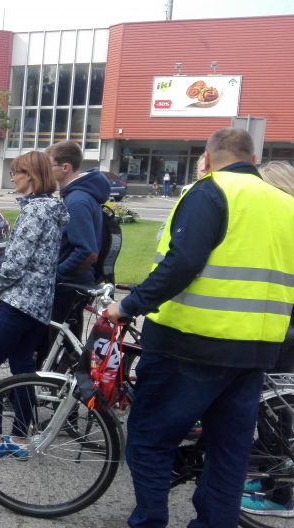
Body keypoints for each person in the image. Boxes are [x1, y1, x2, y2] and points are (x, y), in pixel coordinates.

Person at [105, 128, 294, 527]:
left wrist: (127, 305)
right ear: (255, 159)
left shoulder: (210, 191)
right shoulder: (284, 204)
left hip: (189, 344)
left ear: (207, 157)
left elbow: (182, 263)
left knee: (150, 440)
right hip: (255, 350)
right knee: (228, 452)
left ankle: (149, 522)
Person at [0, 151, 69, 462]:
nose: (12, 177)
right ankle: (18, 439)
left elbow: (16, 264)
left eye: (17, 172)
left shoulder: (35, 212)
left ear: (32, 176)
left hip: (20, 303)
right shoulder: (51, 210)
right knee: (22, 370)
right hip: (39, 305)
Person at [240, 160, 294, 516]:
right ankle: (272, 478)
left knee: (277, 408)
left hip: (284, 329)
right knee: (275, 405)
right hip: (284, 326)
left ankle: (281, 498)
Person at [41, 141, 110, 362]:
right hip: (72, 282)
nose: (46, 171)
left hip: (69, 284)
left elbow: (87, 252)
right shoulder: (77, 195)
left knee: (56, 344)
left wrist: (56, 275)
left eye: (49, 165)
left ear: (65, 167)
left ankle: (52, 385)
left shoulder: (77, 200)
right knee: (63, 342)